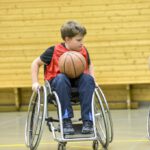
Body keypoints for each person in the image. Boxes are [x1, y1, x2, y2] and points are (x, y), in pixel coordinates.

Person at [31, 20, 96, 135]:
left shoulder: (83, 50)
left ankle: (88, 120)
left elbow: (89, 64)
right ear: (67, 39)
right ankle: (66, 120)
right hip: (58, 84)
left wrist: (93, 79)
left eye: (82, 39)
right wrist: (35, 82)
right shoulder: (53, 50)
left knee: (88, 79)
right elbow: (35, 63)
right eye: (79, 40)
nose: (82, 43)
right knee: (61, 78)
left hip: (77, 83)